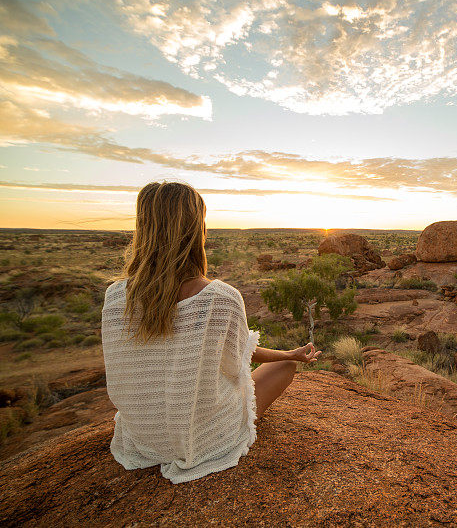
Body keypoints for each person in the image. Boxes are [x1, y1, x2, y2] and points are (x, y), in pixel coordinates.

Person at [101, 181, 320, 483]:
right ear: (195, 230)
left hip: (143, 439)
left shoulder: (115, 297)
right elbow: (238, 361)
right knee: (283, 367)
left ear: (144, 227)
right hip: (203, 438)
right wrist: (289, 355)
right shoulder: (220, 298)